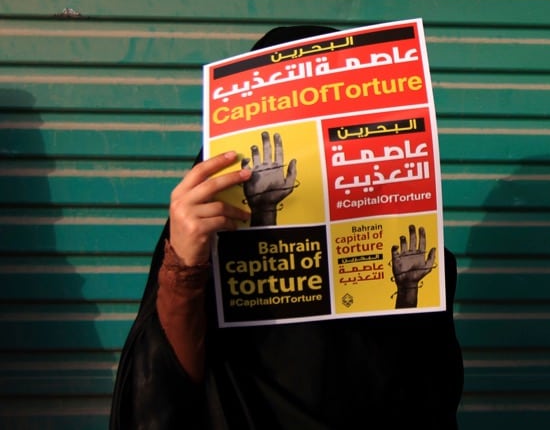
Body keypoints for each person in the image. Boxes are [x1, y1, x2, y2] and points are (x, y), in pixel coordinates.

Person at [110, 25, 464, 430]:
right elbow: (154, 402)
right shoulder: (200, 245)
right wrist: (184, 268)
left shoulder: (406, 250)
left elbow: (425, 394)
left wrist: (408, 289)